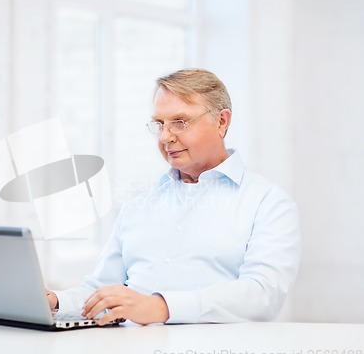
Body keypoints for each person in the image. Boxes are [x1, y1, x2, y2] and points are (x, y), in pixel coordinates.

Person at [47, 68, 301, 326]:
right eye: (160, 124)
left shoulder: (268, 203)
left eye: (180, 122)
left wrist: (163, 307)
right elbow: (103, 289)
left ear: (222, 121)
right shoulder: (139, 205)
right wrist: (57, 301)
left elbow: (262, 296)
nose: (166, 137)